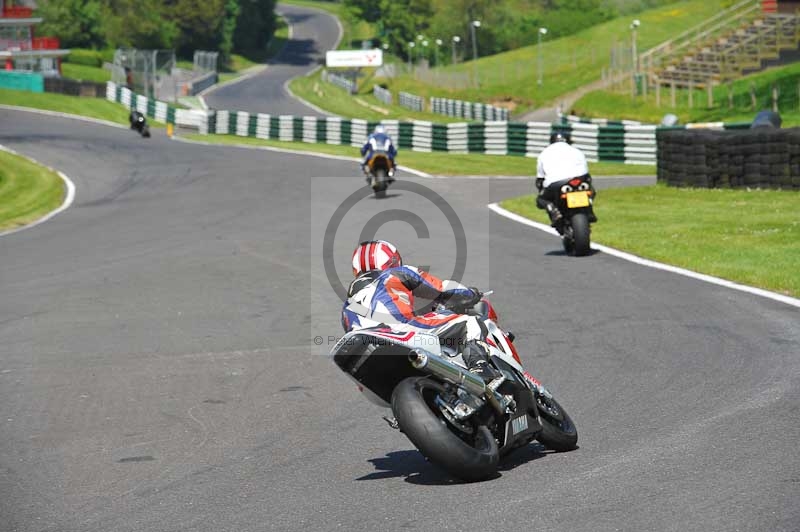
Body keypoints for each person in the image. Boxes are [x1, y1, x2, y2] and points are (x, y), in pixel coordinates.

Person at [341, 240, 501, 382]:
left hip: (367, 352)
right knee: (469, 322)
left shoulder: (347, 306)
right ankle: (479, 366)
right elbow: (442, 289)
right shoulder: (396, 274)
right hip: (398, 332)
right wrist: (470, 294)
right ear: (392, 260)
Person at [535, 131, 597, 227]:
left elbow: (540, 179)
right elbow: (586, 172)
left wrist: (541, 190)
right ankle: (589, 209)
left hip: (556, 183)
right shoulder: (577, 151)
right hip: (579, 180)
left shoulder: (544, 153)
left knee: (541, 200)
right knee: (591, 190)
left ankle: (553, 210)